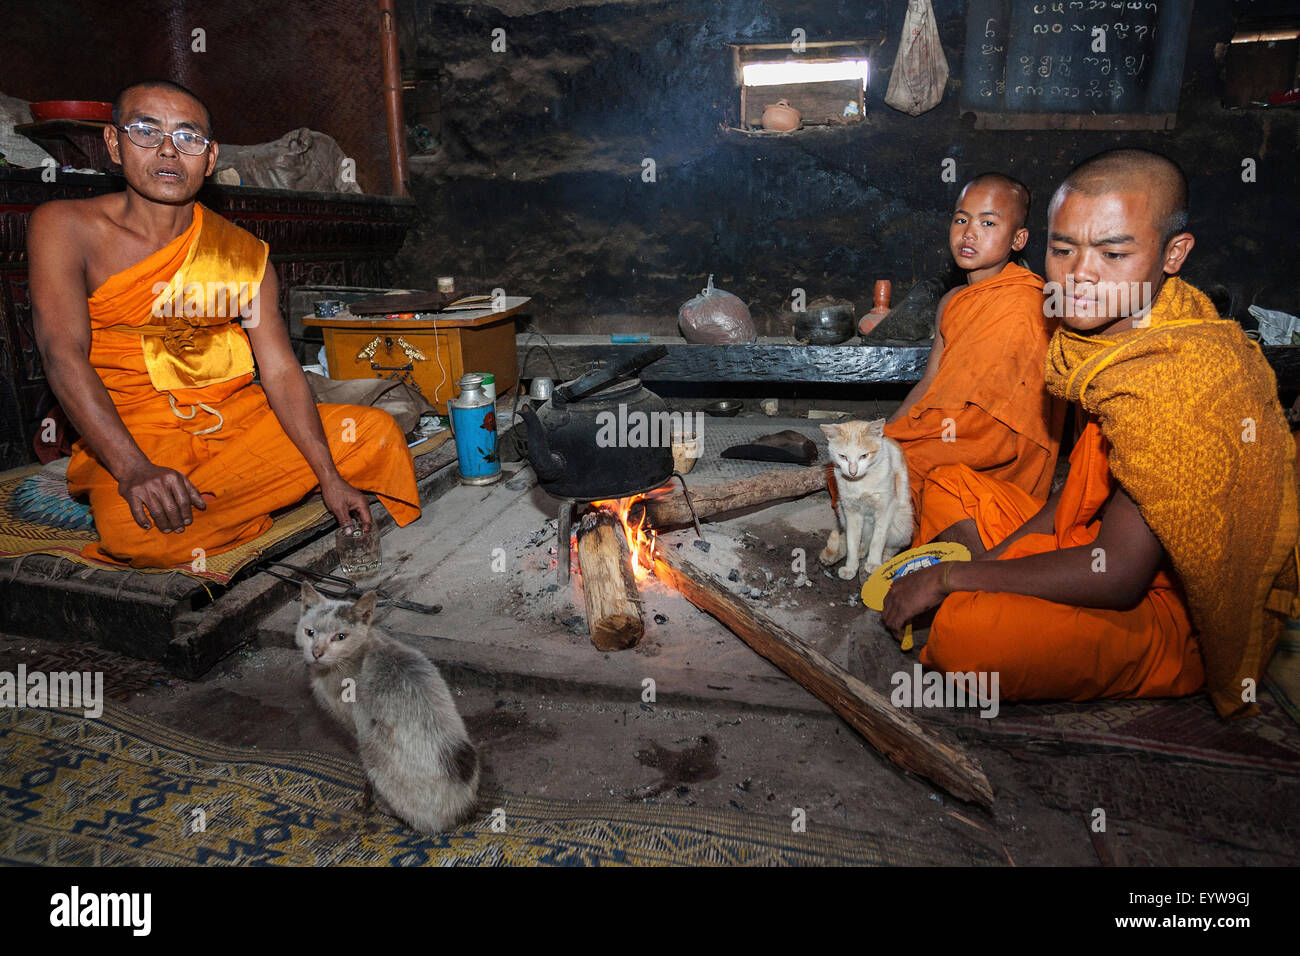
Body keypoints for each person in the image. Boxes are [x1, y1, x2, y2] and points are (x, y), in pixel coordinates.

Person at [883, 149, 1298, 718]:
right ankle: (999, 582)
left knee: (969, 638)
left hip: (1165, 604)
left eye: (1113, 252)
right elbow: (1078, 492)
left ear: (1173, 253)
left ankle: (1148, 653)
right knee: (951, 481)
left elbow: (1119, 577)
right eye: (1063, 249)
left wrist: (954, 579)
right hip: (1098, 541)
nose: (1079, 275)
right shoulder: (1112, 338)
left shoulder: (1182, 378)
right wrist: (994, 567)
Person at [29, 79, 420, 569]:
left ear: (210, 159)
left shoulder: (242, 253)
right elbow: (61, 353)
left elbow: (278, 371)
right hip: (135, 430)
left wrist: (328, 476)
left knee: (375, 434)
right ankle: (228, 499)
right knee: (137, 536)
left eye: (189, 137)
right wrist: (132, 469)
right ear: (114, 144)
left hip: (235, 422)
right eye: (146, 131)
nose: (169, 151)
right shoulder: (65, 226)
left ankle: (222, 501)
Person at [880, 173, 1066, 531]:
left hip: (997, 442)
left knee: (930, 487)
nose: (969, 233)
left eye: (988, 222)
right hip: (949, 431)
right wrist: (887, 433)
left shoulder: (1031, 299)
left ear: (1018, 238)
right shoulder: (951, 301)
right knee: (869, 463)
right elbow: (930, 383)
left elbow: (1020, 404)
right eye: (961, 219)